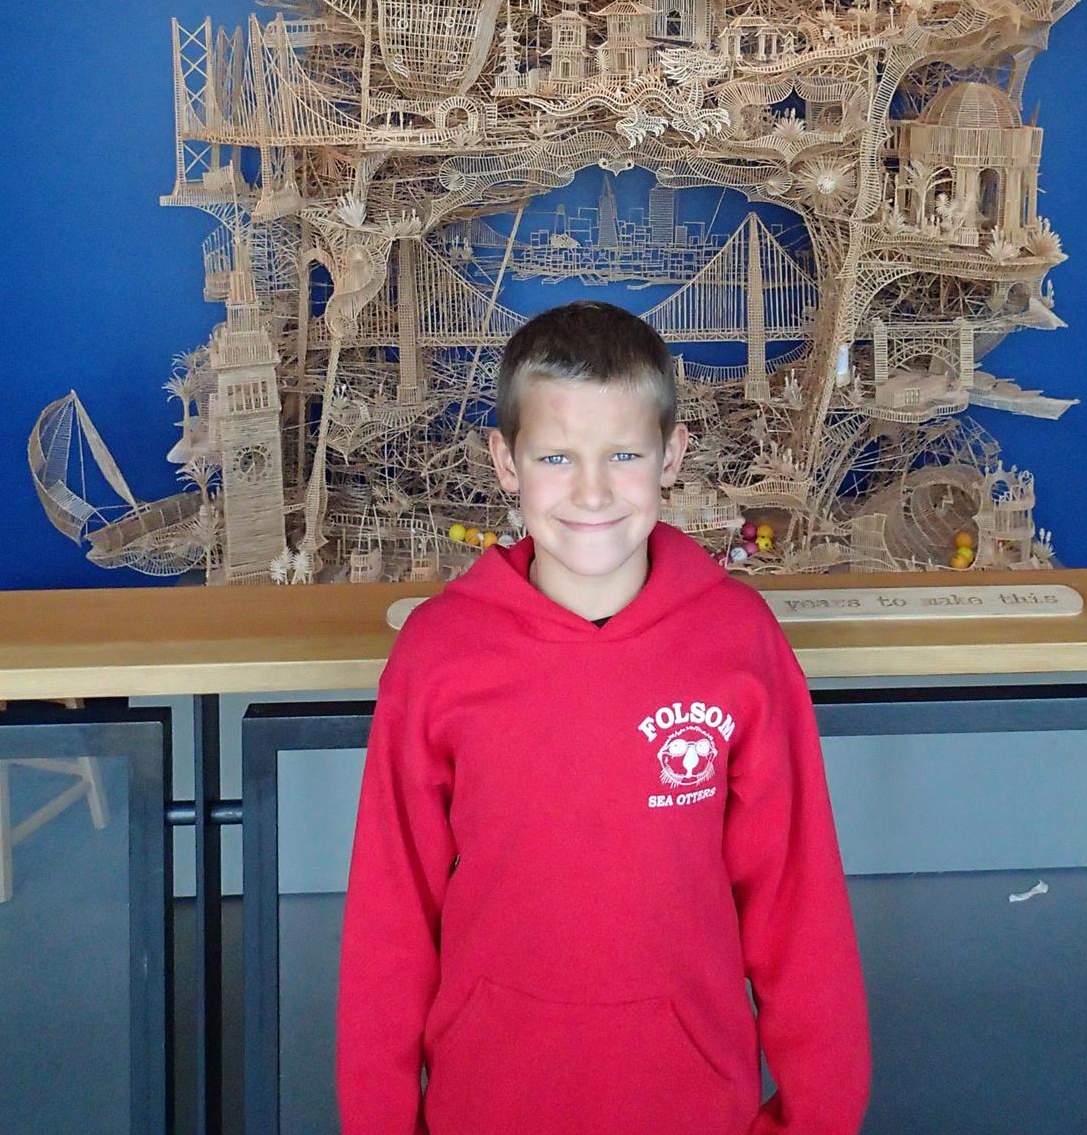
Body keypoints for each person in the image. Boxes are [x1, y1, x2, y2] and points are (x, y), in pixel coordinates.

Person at [336, 298, 872, 1135]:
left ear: (672, 456)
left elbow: (800, 909)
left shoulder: (740, 645)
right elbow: (389, 919)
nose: (592, 491)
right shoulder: (438, 656)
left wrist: (818, 1119)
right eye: (557, 456)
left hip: (693, 1107)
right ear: (506, 463)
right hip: (488, 1104)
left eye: (624, 454)